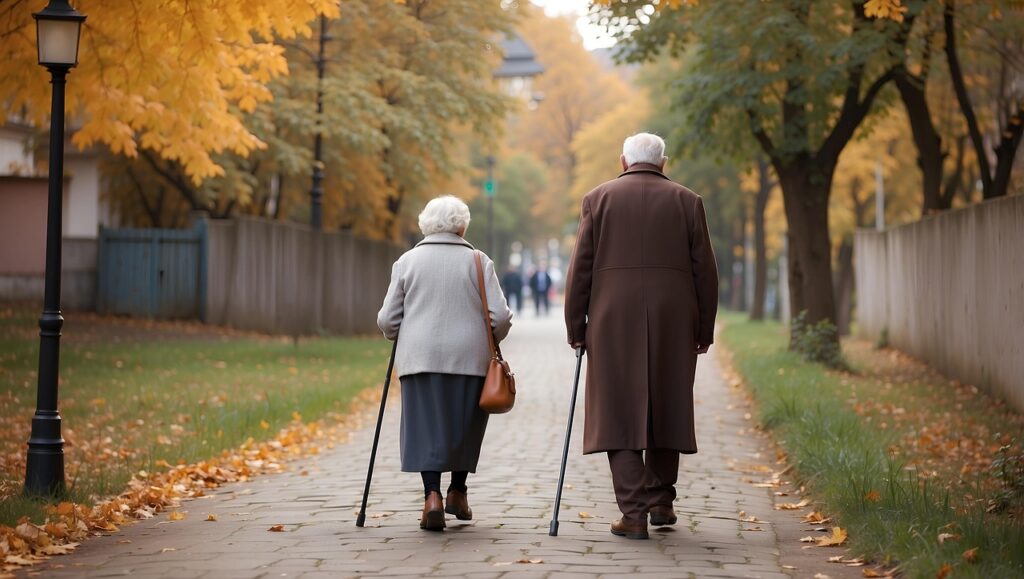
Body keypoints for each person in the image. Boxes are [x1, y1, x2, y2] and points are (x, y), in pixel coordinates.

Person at [563, 132, 718, 540]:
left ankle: (634, 513)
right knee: (667, 401)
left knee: (617, 408)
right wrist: (704, 329)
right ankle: (661, 499)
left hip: (614, 318)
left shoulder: (598, 199)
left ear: (623, 160)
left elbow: (581, 267)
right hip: (674, 318)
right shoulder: (689, 201)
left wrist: (575, 325)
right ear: (663, 163)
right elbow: (705, 271)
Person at [377, 195, 513, 532]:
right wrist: (491, 338)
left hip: (419, 359)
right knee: (464, 426)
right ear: (462, 226)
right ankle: (458, 492)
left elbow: (387, 319)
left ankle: (432, 497)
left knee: (425, 428)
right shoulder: (479, 262)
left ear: (425, 223)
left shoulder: (407, 261)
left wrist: (397, 332)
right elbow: (501, 316)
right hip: (469, 358)